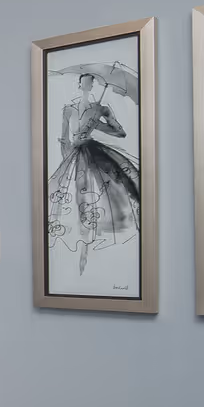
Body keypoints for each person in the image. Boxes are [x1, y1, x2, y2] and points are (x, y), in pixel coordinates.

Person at [47, 72, 139, 275]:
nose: (87, 85)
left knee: (98, 195)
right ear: (80, 85)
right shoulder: (68, 109)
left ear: (93, 85)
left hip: (94, 152)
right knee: (74, 198)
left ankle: (90, 251)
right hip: (74, 155)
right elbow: (64, 138)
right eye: (84, 83)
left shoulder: (101, 108)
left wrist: (100, 124)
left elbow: (120, 132)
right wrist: (66, 158)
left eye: (90, 83)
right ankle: (79, 253)